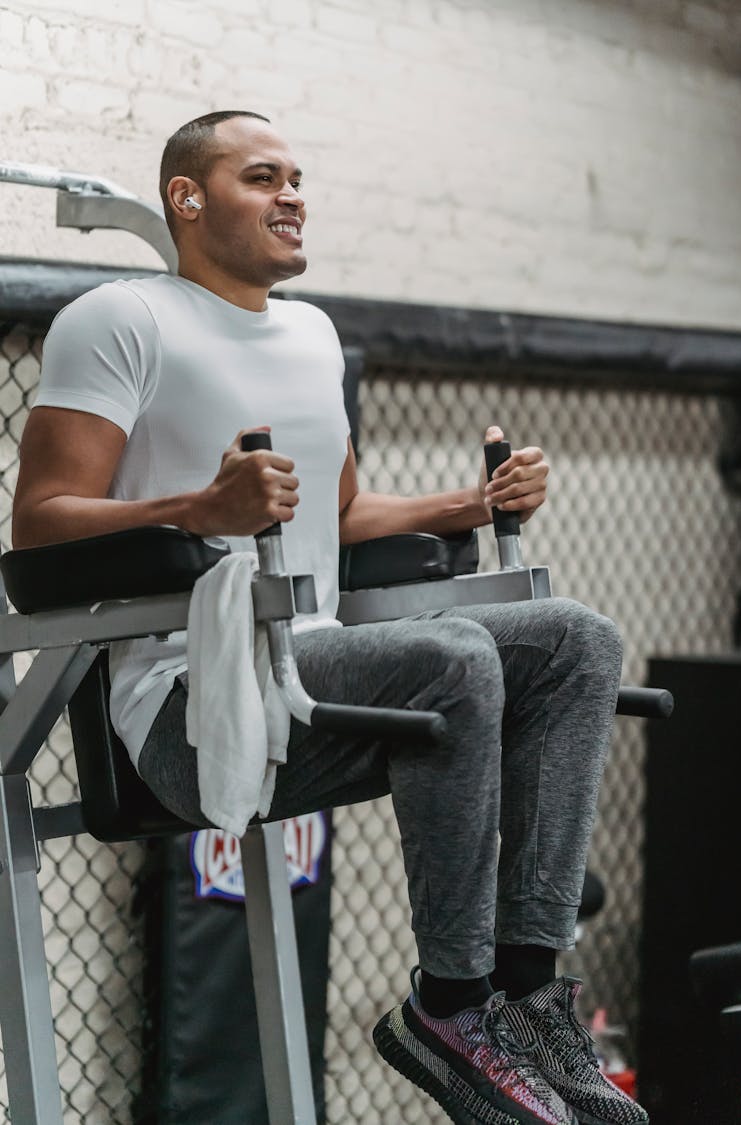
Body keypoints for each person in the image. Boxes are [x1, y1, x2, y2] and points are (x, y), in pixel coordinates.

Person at [13, 110, 648, 1125]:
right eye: (262, 177)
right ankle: (449, 1009)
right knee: (451, 661)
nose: (293, 195)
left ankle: (526, 998)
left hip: (314, 670)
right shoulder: (119, 319)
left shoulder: (310, 332)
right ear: (188, 197)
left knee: (577, 639)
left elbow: (341, 514)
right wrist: (197, 509)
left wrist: (472, 505)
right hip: (191, 704)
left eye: (298, 178)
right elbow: (39, 523)